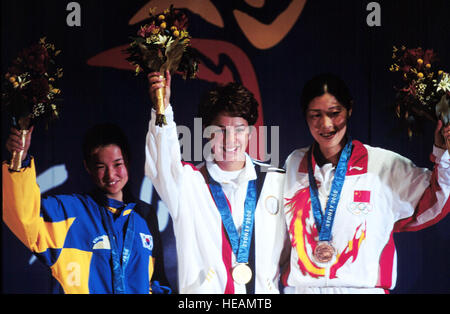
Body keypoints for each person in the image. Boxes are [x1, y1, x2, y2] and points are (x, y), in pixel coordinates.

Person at [281, 73, 450, 294]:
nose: (326, 124)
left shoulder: (383, 165)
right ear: (305, 115)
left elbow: (435, 200)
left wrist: (443, 153)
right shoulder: (294, 164)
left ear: (349, 109)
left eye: (335, 113)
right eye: (315, 115)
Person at [145, 71, 289, 294]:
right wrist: (162, 109)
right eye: (220, 130)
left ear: (250, 132)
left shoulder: (276, 181)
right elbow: (162, 161)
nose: (231, 140)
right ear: (206, 131)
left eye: (239, 130)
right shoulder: (188, 184)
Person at [3, 123, 170, 294]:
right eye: (100, 167)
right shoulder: (69, 211)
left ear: (127, 160)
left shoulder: (144, 214)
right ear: (87, 167)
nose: (110, 175)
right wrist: (19, 161)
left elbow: (158, 282)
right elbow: (23, 214)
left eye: (117, 164)